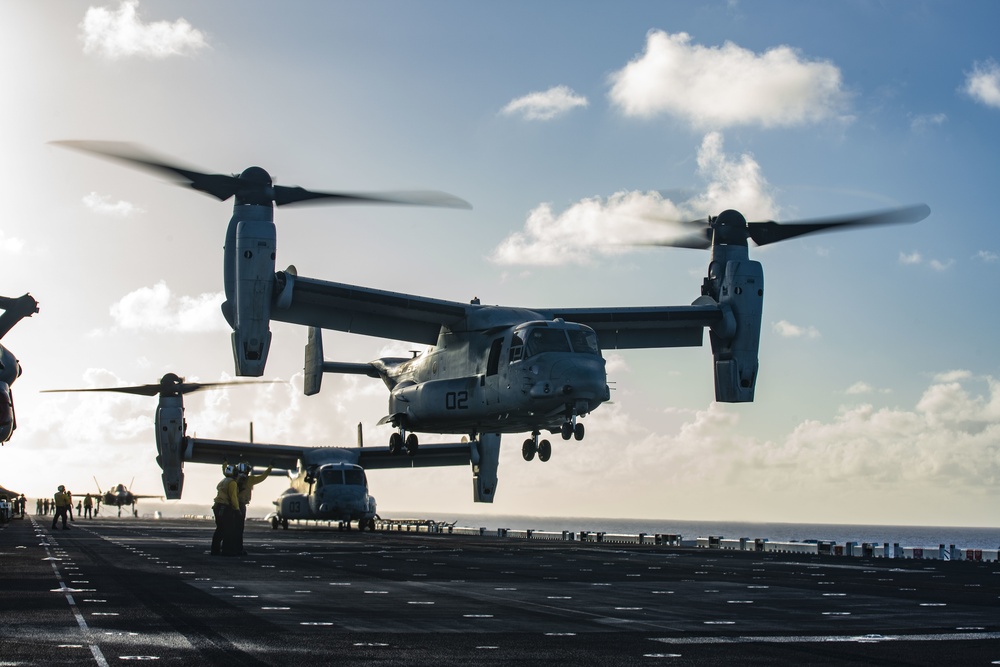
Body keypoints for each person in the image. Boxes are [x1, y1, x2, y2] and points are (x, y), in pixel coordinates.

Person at [233, 461, 272, 555]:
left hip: (231, 505)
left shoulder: (233, 479)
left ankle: (227, 546)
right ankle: (238, 548)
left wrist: (225, 463)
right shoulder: (250, 480)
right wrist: (270, 467)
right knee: (239, 529)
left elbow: (225, 471)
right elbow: (262, 477)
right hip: (241, 506)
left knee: (230, 527)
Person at [211, 465, 240, 556]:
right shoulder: (232, 483)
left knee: (220, 529)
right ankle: (227, 551)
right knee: (228, 529)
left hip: (217, 506)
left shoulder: (223, 481)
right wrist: (237, 509)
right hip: (224, 507)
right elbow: (233, 497)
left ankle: (215, 550)